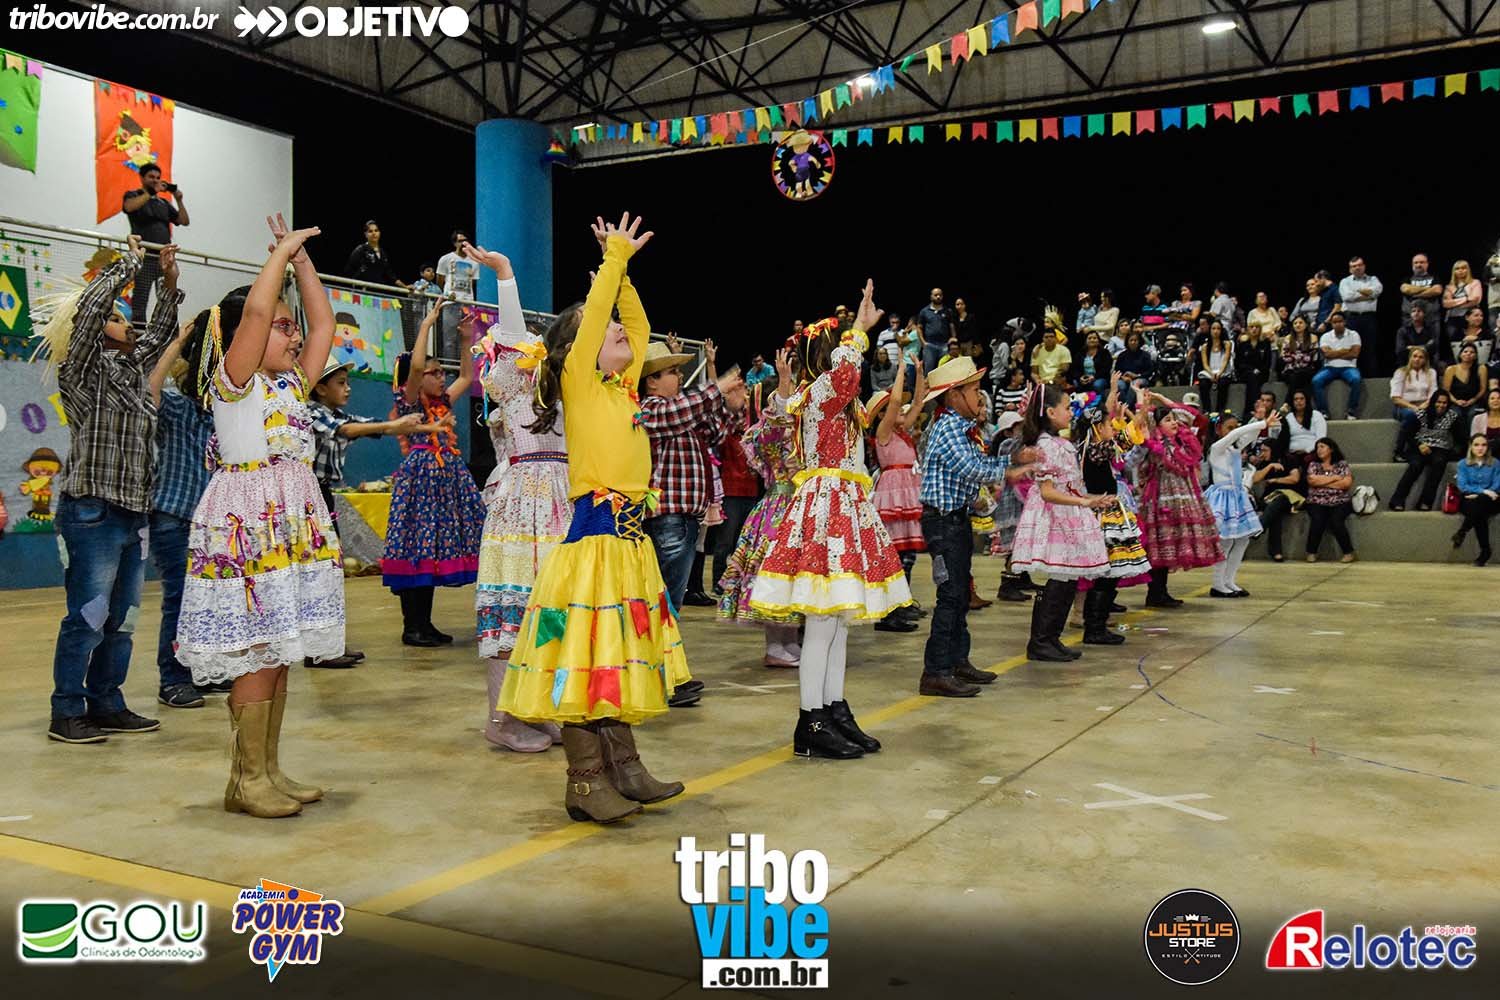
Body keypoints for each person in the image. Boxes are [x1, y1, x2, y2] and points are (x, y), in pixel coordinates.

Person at [498, 212, 690, 824]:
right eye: (604, 327)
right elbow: (597, 325)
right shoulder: (580, 381)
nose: (619, 332)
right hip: (596, 541)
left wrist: (625, 276)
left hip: (629, 544)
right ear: (576, 348)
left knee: (617, 653)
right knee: (585, 659)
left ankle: (624, 766)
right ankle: (583, 781)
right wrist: (611, 262)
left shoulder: (621, 387)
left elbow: (641, 325)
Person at [175, 215, 343, 817]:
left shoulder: (292, 385)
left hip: (290, 527)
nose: (295, 337)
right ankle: (247, 780)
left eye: (292, 328)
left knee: (278, 650)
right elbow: (253, 313)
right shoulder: (235, 382)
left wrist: (302, 265)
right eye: (282, 327)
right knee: (257, 647)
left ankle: (266, 770)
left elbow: (325, 324)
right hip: (249, 525)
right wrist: (277, 260)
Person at [750, 281, 914, 757]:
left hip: (843, 502)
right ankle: (811, 722)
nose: (851, 355)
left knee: (838, 624)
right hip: (828, 509)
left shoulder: (835, 399)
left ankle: (834, 709)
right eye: (839, 344)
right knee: (823, 625)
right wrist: (858, 329)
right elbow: (846, 373)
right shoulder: (821, 390)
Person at [38, 237, 181, 744]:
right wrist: (128, 266)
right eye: (117, 318)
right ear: (98, 329)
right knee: (88, 617)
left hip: (133, 516)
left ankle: (106, 702)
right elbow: (89, 313)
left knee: (122, 619)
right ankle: (66, 710)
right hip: (93, 513)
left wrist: (167, 282)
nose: (127, 324)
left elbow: (160, 335)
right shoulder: (81, 372)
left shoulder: (131, 374)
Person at [463, 241, 572, 753]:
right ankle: (502, 720)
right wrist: (505, 274)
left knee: (552, 612)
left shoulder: (569, 388)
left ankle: (540, 709)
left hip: (561, 502)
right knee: (514, 612)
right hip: (523, 503)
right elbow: (509, 330)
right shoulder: (514, 382)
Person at [381, 298, 487, 645]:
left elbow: (468, 376)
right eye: (435, 372)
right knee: (417, 547)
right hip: (421, 480)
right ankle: (412, 626)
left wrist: (466, 338)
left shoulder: (444, 403)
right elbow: (414, 369)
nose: (442, 378)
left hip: (445, 479)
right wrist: (426, 324)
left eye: (443, 372)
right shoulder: (409, 399)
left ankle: (423, 624)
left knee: (432, 551)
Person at [912, 356, 1020, 692]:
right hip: (943, 523)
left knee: (959, 594)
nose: (979, 397)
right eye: (973, 390)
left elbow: (972, 467)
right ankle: (936, 670)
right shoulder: (948, 428)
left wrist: (1011, 462)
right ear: (954, 395)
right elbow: (971, 468)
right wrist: (1012, 468)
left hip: (953, 521)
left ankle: (956, 661)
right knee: (950, 595)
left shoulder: (958, 427)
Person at [148, 318, 226, 708]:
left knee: (209, 600)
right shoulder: (175, 407)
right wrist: (178, 344)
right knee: (180, 600)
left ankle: (199, 672)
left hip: (207, 524)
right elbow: (149, 391)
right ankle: (173, 679)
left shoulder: (219, 418)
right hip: (173, 518)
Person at [640, 337, 743, 614]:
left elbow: (715, 433)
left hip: (680, 518)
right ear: (652, 382)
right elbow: (684, 410)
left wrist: (732, 409)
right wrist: (717, 387)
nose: (679, 376)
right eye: (672, 372)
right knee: (664, 602)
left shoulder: (676, 413)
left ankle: (661, 638)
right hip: (668, 517)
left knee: (668, 600)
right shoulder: (650, 409)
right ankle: (658, 639)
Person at [1011, 384, 1111, 661]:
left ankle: (1050, 638)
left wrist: (1093, 499)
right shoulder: (1045, 446)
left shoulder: (1061, 444)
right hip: (1054, 518)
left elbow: (1070, 486)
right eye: (1067, 408)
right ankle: (1041, 641)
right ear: (1050, 412)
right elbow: (1047, 492)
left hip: (1067, 514)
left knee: (1066, 579)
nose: (1071, 412)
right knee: (1058, 579)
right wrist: (1084, 503)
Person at [718, 349, 805, 668]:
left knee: (791, 576)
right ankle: (776, 646)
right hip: (780, 507)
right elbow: (779, 421)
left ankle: (788, 641)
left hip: (791, 503)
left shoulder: (790, 426)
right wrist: (784, 384)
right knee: (775, 574)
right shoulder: (770, 428)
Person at [1074, 386, 1151, 643]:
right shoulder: (1096, 449)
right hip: (1103, 512)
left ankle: (1095, 625)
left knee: (1107, 573)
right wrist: (1140, 410)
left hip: (1102, 510)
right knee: (1107, 573)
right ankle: (1094, 628)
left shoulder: (1088, 447)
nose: (1112, 428)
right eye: (1108, 425)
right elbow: (1125, 438)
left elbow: (1122, 436)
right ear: (1098, 428)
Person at [1133, 393, 1222, 607]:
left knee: (1172, 544)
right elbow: (1142, 421)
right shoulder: (1153, 442)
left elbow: (1193, 416)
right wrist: (1141, 401)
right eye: (1168, 420)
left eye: (1174, 419)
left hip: (1180, 496)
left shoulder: (1181, 441)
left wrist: (1162, 398)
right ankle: (1155, 593)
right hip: (1161, 498)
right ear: (1157, 425)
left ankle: (1161, 592)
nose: (1174, 423)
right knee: (1160, 544)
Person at [868, 359, 928, 634]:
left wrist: (919, 372)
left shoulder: (901, 432)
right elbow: (895, 403)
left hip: (906, 491)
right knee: (894, 555)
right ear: (883, 414)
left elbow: (917, 404)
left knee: (907, 554)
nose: (900, 410)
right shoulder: (884, 432)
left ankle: (901, 604)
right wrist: (902, 371)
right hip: (893, 494)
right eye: (892, 409)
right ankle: (889, 612)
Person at [1206, 411, 1276, 597]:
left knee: (1243, 540)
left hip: (1237, 497)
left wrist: (1261, 424)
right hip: (1223, 498)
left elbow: (1248, 436)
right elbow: (1237, 435)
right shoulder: (1216, 448)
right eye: (1229, 427)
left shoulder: (1234, 449)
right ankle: (1218, 584)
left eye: (1235, 427)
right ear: (1218, 429)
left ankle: (1229, 580)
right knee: (1226, 542)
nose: (1233, 431)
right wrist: (1262, 423)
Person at [121, 163, 189, 331]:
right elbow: (129, 207)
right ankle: (137, 332)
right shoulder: (134, 195)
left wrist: (179, 200)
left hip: (164, 258)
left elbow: (183, 221)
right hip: (145, 256)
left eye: (158, 178)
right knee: (141, 297)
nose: (156, 180)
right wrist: (151, 192)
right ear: (142, 178)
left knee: (167, 295)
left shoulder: (163, 203)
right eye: (151, 177)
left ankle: (162, 330)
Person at [1389, 390, 1460, 511]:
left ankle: (1425, 502)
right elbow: (1408, 434)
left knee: (1439, 462)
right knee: (1415, 465)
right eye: (1438, 402)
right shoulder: (1421, 414)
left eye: (1444, 403)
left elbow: (1461, 437)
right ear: (1433, 402)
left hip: (1441, 448)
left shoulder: (1452, 416)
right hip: (1419, 446)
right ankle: (1397, 501)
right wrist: (1419, 444)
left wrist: (1453, 450)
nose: (1441, 405)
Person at [1304, 438, 1357, 562]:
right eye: (1317, 447)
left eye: (1322, 447)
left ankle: (1348, 552)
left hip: (1340, 500)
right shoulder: (1314, 465)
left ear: (1331, 449)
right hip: (1316, 500)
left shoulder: (1342, 464)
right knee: (1317, 520)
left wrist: (1322, 482)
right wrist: (1335, 478)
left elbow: (1346, 484)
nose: (1319, 450)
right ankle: (1311, 552)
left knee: (1336, 520)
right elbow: (1312, 481)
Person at [1453, 434, 1499, 566]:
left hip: (1492, 499)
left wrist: (1480, 494)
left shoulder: (1495, 463)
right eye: (1476, 445)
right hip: (1469, 499)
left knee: (1481, 503)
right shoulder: (1463, 464)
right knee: (1479, 511)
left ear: (1488, 447)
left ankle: (1463, 531)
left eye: (1484, 445)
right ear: (1471, 447)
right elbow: (1463, 486)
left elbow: (1497, 485)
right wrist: (1483, 491)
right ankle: (1485, 551)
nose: (1480, 448)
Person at [1390, 346, 1438, 460]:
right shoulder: (1401, 372)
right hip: (1403, 405)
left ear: (1425, 360)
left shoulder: (1431, 373)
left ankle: (1418, 450)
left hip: (1425, 405)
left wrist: (1424, 405)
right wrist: (1413, 407)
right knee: (1412, 415)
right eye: (1415, 356)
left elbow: (1433, 394)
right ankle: (1399, 450)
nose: (1417, 359)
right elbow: (1396, 398)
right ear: (1410, 358)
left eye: (1421, 357)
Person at [1255, 453, 1305, 563]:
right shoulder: (1264, 463)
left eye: (1265, 450)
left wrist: (1275, 480)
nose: (1262, 453)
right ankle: (1276, 552)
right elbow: (1254, 479)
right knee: (1275, 511)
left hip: (1288, 497)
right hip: (1268, 498)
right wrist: (1269, 466)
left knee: (1278, 501)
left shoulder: (1289, 460)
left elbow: (1295, 478)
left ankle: (1260, 527)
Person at [1312, 312, 1362, 419]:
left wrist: (1334, 353)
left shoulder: (1353, 334)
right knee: (1316, 381)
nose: (1337, 324)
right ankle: (1323, 411)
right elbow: (1327, 355)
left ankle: (1351, 411)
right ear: (1331, 324)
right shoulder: (1326, 336)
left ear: (1345, 322)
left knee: (1356, 379)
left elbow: (1354, 354)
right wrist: (1345, 351)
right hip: (1329, 367)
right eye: (1334, 322)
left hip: (1349, 366)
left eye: (1340, 321)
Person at [1338, 256, 1383, 375]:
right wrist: (1368, 295)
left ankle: (1372, 378)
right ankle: (1352, 375)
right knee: (1350, 348)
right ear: (1350, 269)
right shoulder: (1345, 281)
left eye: (1359, 265)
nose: (1357, 268)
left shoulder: (1373, 279)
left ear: (1364, 266)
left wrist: (1357, 292)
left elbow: (1377, 291)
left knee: (1370, 348)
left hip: (1369, 318)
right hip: (1351, 318)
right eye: (1354, 266)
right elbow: (1347, 297)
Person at [344, 220, 407, 289]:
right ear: (365, 234)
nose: (374, 233)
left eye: (376, 230)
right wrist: (354, 286)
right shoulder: (361, 249)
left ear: (379, 233)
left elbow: (390, 275)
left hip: (376, 290)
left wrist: (405, 286)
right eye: (370, 231)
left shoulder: (383, 253)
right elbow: (348, 270)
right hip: (361, 291)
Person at [1444, 341, 1488, 429]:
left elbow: (1483, 389)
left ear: (1475, 356)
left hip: (1474, 401)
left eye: (1472, 352)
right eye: (1465, 351)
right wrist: (1456, 401)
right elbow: (1446, 390)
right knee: (1456, 414)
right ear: (1460, 354)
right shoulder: (1451, 369)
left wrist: (1473, 400)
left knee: (1473, 414)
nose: (1468, 354)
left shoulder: (1481, 368)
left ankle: (1473, 436)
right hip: (1455, 401)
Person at [1194, 320, 1235, 414]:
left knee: (1223, 383)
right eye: (1213, 329)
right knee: (1203, 384)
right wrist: (1212, 374)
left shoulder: (1227, 344)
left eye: (1218, 329)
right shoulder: (1205, 346)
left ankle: (1220, 410)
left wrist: (1219, 373)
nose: (1216, 331)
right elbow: (1205, 364)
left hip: (1223, 371)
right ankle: (1207, 410)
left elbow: (1225, 360)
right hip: (1209, 372)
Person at [1278, 388, 1326, 468]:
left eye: (1301, 399)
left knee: (1308, 461)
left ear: (1306, 400)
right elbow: (1284, 439)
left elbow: (1321, 438)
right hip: (1292, 454)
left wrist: (1307, 450)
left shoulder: (1316, 415)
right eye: (1296, 399)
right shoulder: (1289, 417)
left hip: (1312, 452)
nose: (1298, 401)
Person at [1400, 253, 1444, 335]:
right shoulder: (1407, 278)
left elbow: (1437, 290)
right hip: (1410, 319)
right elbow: (1406, 289)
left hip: (1431, 319)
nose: (1418, 265)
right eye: (1416, 263)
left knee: (1432, 342)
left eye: (1422, 262)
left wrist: (1415, 294)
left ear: (1427, 264)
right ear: (1412, 265)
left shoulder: (1434, 277)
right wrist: (1428, 288)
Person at [1443, 260, 1483, 347]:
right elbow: (1445, 304)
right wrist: (1466, 299)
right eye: (1457, 269)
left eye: (1463, 268)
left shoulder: (1475, 282)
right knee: (1454, 343)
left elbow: (1475, 299)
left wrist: (1454, 303)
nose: (1460, 270)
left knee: (1470, 343)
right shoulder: (1449, 286)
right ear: (1454, 271)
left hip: (1469, 318)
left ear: (1468, 270)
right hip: (1452, 318)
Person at [914, 287, 956, 371]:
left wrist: (953, 337)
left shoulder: (948, 311)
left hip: (944, 345)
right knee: (929, 371)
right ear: (931, 296)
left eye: (940, 295)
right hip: (930, 345)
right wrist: (923, 343)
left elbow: (951, 326)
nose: (938, 297)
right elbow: (919, 328)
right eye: (936, 295)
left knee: (945, 370)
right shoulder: (924, 311)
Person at [1278, 315, 1320, 399]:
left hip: (1307, 368)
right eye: (1295, 323)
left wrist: (1295, 356)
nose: (1298, 325)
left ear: (1306, 325)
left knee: (1300, 375)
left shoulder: (1313, 337)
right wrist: (1301, 356)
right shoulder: (1288, 338)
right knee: (1296, 377)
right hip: (1290, 369)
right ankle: (1301, 402)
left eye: (1300, 323)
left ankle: (1288, 402)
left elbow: (1313, 357)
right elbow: (1285, 356)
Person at [1237, 323, 1274, 418]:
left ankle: (1250, 411)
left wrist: (1259, 370)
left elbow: (1267, 362)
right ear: (1248, 330)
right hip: (1246, 373)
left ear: (1260, 329)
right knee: (1252, 378)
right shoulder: (1243, 345)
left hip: (1262, 373)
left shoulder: (1265, 344)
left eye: (1257, 327)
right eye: (1251, 327)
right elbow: (1239, 363)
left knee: (1254, 379)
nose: (1254, 329)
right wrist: (1252, 369)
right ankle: (1253, 408)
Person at [1070, 330, 1113, 395]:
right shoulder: (1080, 353)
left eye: (1094, 338)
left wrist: (1094, 377)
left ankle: (1100, 400)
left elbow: (1106, 369)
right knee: (1075, 382)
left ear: (1098, 340)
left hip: (1099, 378)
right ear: (1086, 341)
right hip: (1084, 378)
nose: (1092, 340)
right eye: (1089, 338)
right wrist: (1080, 378)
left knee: (1097, 385)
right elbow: (1075, 368)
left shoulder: (1105, 353)